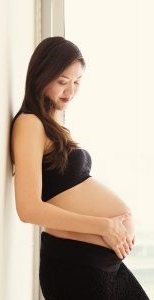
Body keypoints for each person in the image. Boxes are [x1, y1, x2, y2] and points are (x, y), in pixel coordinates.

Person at [10, 36, 150, 300]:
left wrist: (109, 228)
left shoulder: (53, 126)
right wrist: (103, 226)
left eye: (77, 82)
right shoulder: (29, 123)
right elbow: (28, 209)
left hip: (99, 264)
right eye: (62, 82)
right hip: (75, 266)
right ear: (41, 75)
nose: (70, 91)